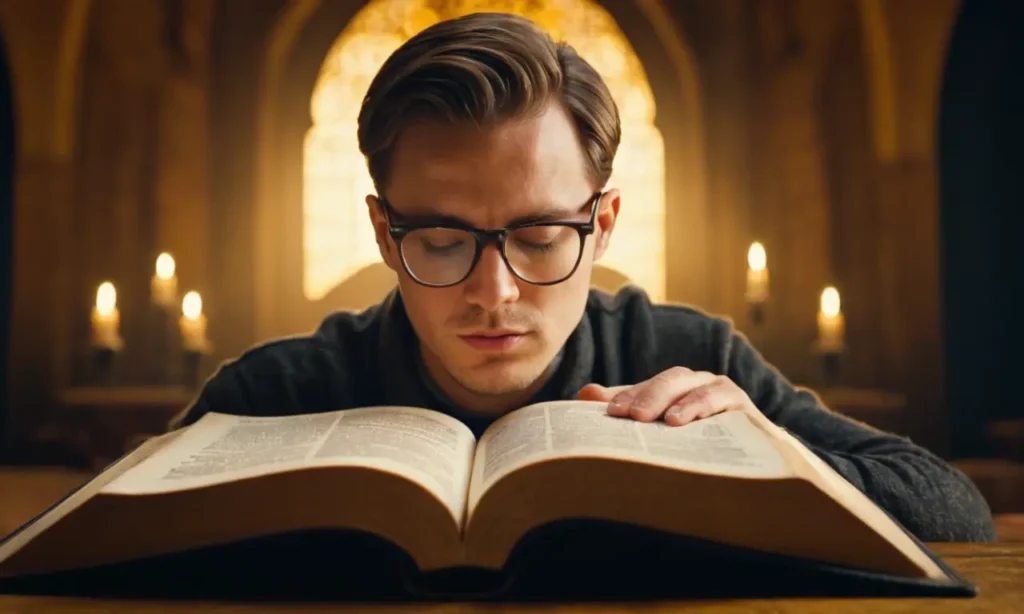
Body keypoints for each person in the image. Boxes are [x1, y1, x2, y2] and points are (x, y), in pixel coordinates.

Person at [170, 12, 995, 542]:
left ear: (600, 226)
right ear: (385, 234)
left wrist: (769, 459)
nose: (494, 292)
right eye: (443, 239)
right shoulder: (273, 389)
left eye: (536, 236)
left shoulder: (686, 355)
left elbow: (954, 507)